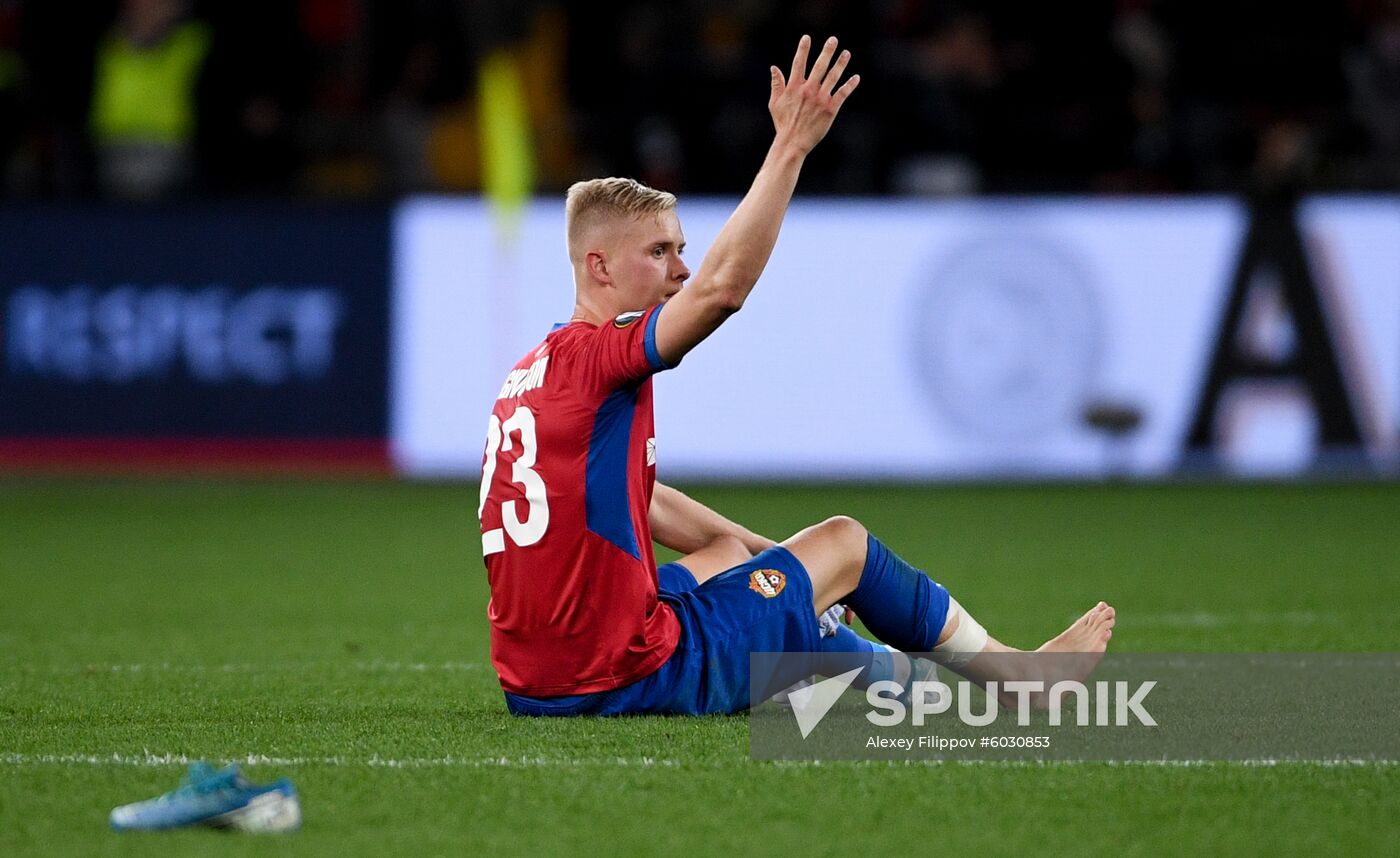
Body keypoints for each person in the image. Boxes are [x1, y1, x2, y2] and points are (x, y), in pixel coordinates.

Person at [478, 35, 1115, 716]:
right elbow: (721, 291)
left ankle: (879, 672)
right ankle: (1020, 679)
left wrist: (775, 561)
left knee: (726, 554)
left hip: (534, 685)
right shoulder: (603, 358)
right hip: (626, 674)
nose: (681, 269)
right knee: (845, 541)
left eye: (681, 249)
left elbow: (646, 499)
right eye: (659, 251)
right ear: (599, 267)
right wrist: (790, 147)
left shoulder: (533, 371)